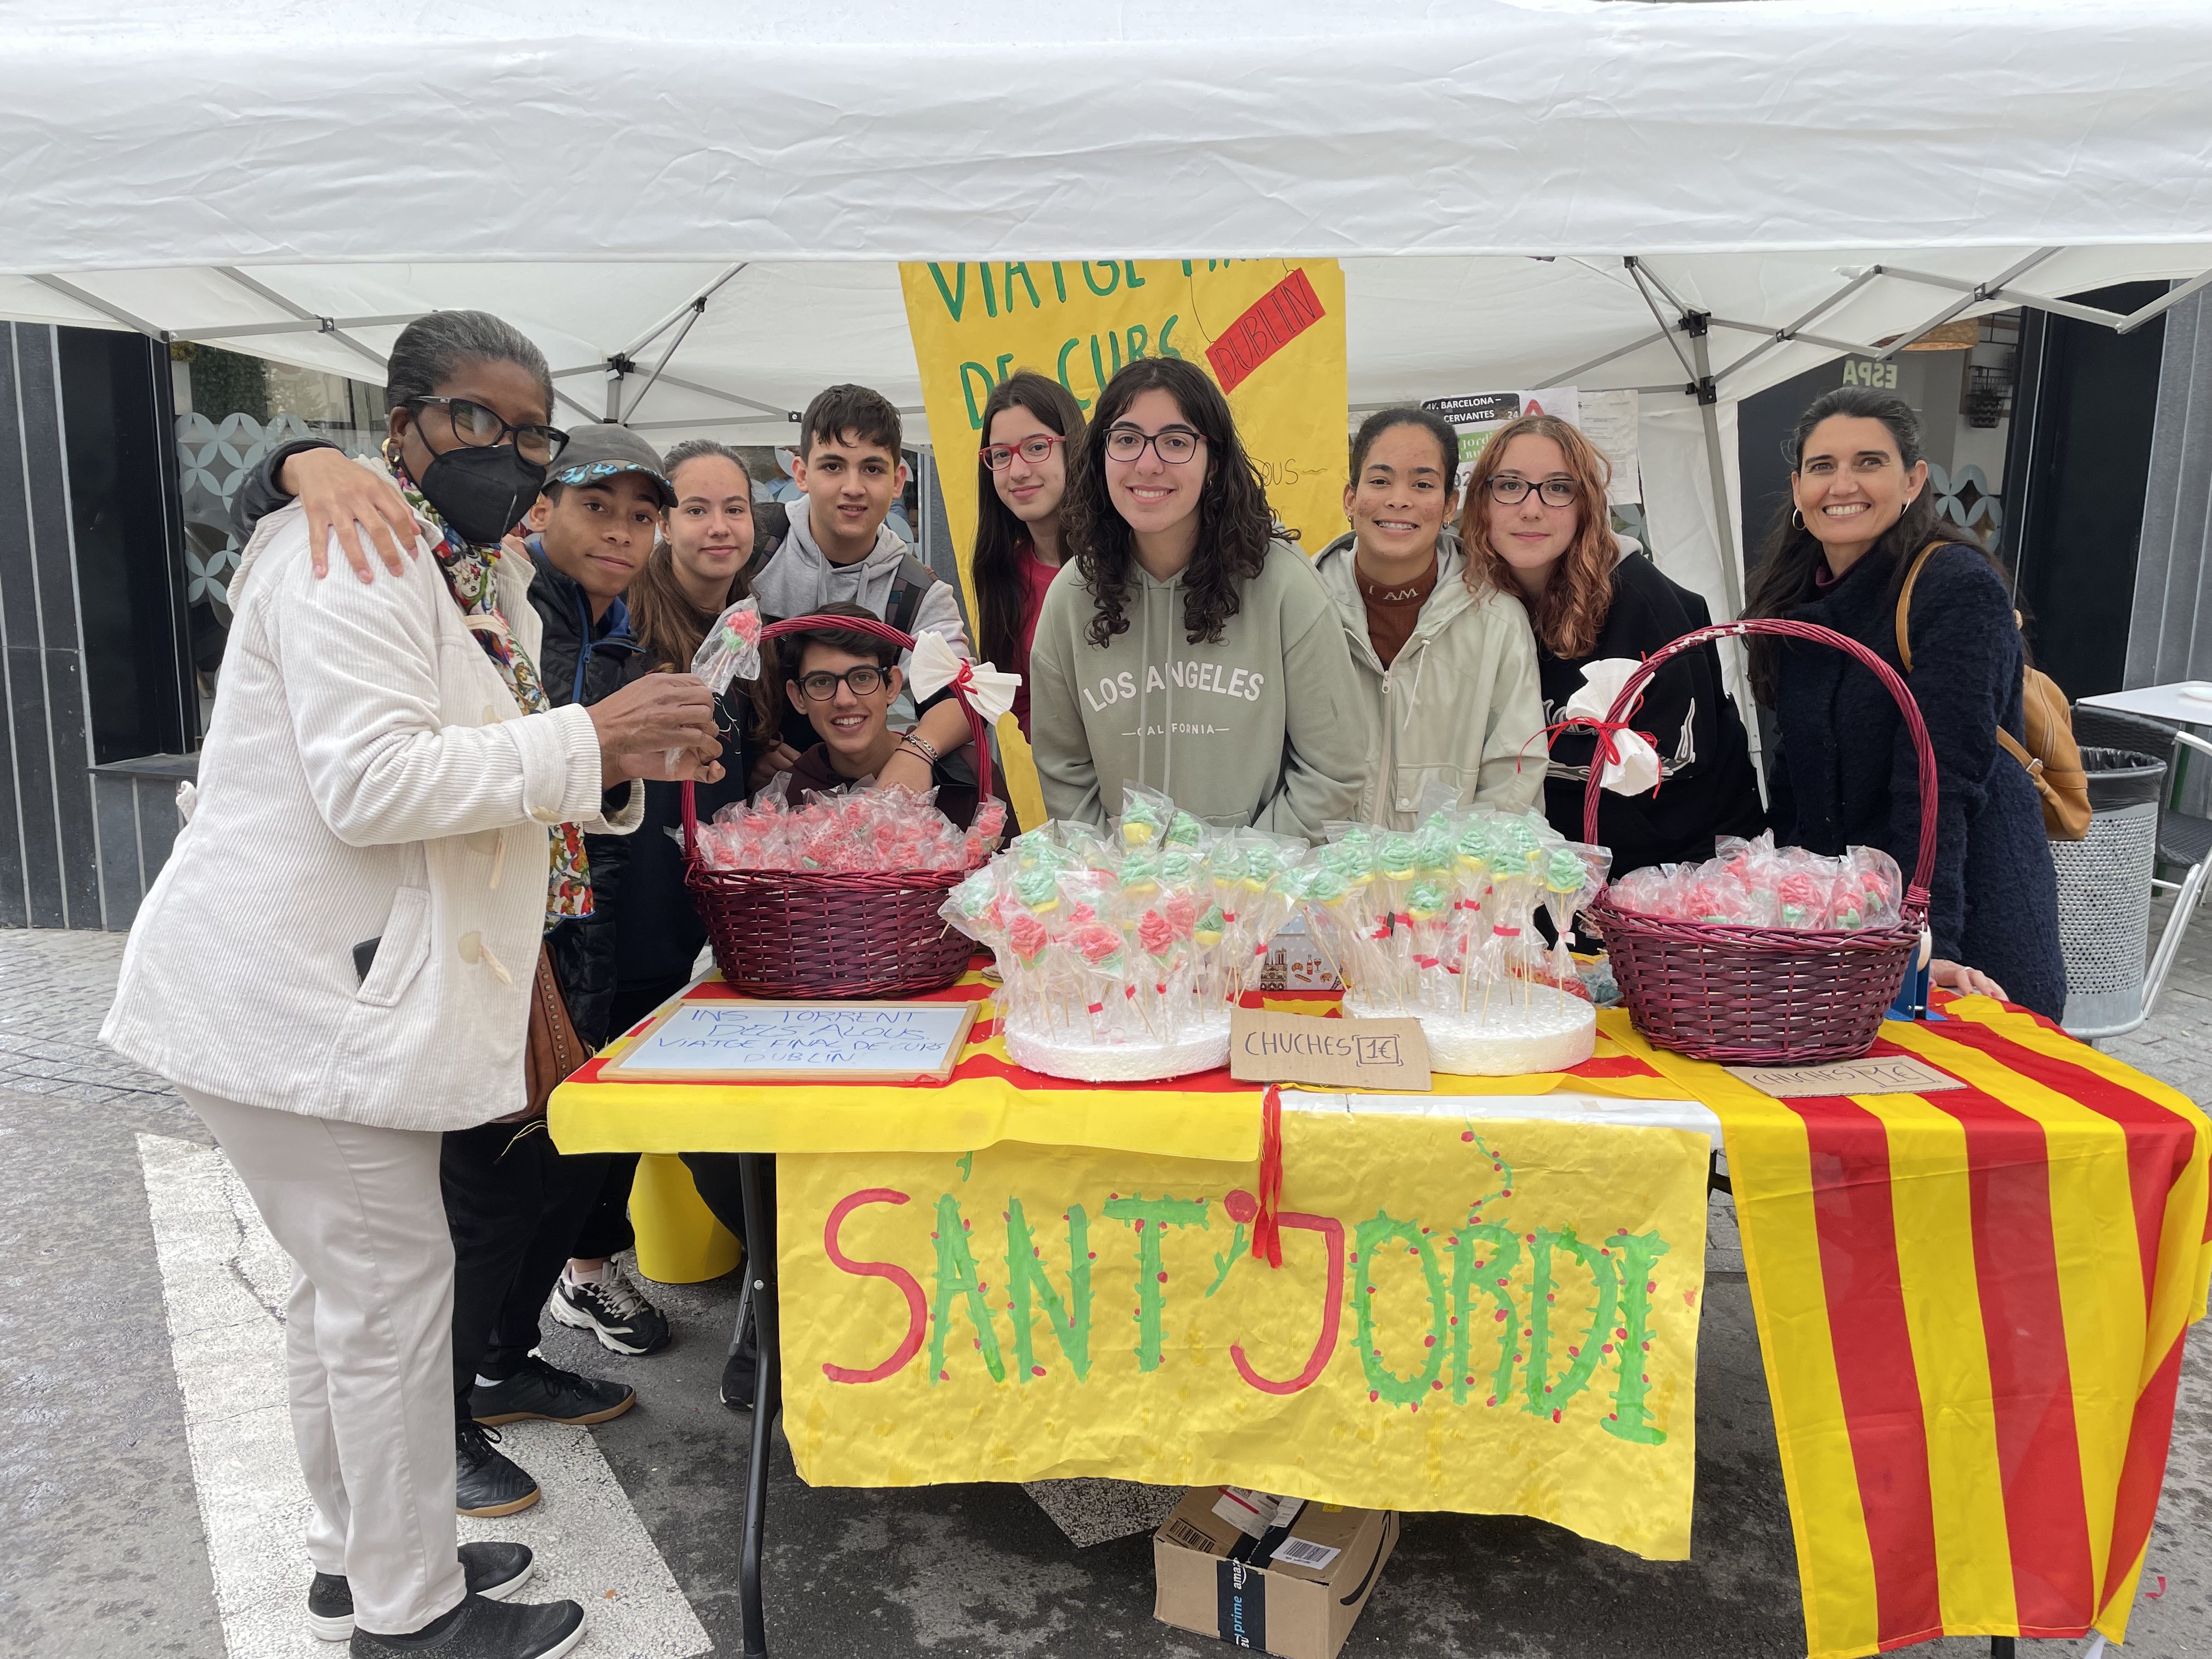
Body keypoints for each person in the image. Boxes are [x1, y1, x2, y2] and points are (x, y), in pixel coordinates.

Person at [101, 309, 721, 1659]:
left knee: (347, 1294)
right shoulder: (355, 556)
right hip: (299, 1001)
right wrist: (588, 735)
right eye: (476, 421)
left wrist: (613, 767)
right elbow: (372, 784)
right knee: (388, 1290)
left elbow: (491, 767)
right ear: (403, 427)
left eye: (530, 431)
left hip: (329, 999)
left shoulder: (463, 572)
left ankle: (357, 1562)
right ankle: (409, 1615)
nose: (507, 450)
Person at [239, 422, 682, 1514]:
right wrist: (298, 456)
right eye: (596, 508)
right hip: (465, 943)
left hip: (560, 930)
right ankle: (432, 1435)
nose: (619, 534)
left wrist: (623, 761)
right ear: (546, 508)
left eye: (639, 517)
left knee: (561, 1165)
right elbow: (409, 766)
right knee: (477, 1198)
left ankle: (499, 1362)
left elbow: (566, 780)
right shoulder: (448, 574)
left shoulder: (548, 598)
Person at [1742, 387, 2064, 1015]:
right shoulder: (1792, 595)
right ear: (1799, 486)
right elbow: (1796, 772)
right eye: (1823, 466)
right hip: (1845, 927)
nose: (1843, 485)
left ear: (1913, 479)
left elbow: (1942, 774)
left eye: (1869, 463)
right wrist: (1774, 899)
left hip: (1965, 912)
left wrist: (1930, 934)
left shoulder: (1954, 585)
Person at [1026, 356, 1367, 840]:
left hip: (1254, 899)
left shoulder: (1285, 585)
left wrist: (1235, 872)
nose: (1148, 463)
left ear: (1215, 462)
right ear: (1100, 456)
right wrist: (1116, 878)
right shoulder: (1072, 595)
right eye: (1125, 439)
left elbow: (1334, 769)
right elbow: (1064, 770)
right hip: (1127, 903)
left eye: (1176, 442)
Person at [1460, 411, 1766, 874]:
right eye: (1510, 485)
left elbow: (1675, 758)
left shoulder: (1641, 600)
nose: (1531, 508)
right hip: (1551, 875)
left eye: (1559, 488)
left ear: (1587, 505)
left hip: (1667, 879)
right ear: (1481, 499)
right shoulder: (1472, 602)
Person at [1312, 407, 1545, 827]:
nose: (1399, 499)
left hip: (1449, 886)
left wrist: (1461, 878)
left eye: (1422, 484)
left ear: (1449, 505)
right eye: (1380, 481)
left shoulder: (1498, 622)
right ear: (1351, 498)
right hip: (1320, 882)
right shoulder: (1301, 607)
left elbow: (1514, 776)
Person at [748, 384, 978, 794]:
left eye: (872, 468)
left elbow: (962, 697)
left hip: (863, 799)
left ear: (897, 481)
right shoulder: (753, 547)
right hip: (743, 798)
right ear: (801, 474)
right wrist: (746, 750)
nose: (852, 487)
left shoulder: (919, 593)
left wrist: (916, 752)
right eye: (833, 467)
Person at [768, 600, 1003, 827]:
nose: (844, 700)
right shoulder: (781, 799)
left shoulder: (967, 774)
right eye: (821, 682)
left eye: (862, 677)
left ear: (892, 686)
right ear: (798, 696)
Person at [971, 370, 1085, 739]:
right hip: (1072, 785)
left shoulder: (1130, 559)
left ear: (1074, 448)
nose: (1017, 471)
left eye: (1037, 447)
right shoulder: (1004, 574)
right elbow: (1025, 705)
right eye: (1001, 455)